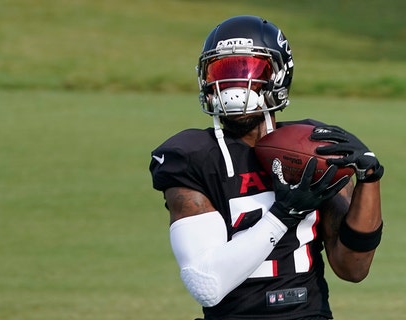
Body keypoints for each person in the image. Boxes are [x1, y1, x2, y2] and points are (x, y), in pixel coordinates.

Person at [149, 15, 385, 320]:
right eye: (223, 70)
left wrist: (370, 178)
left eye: (246, 69)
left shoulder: (313, 148)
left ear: (278, 75)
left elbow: (353, 268)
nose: (233, 84)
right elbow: (206, 285)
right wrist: (282, 216)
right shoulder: (194, 157)